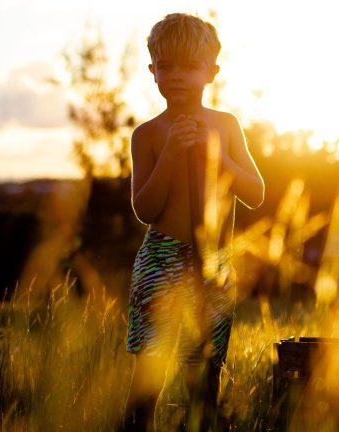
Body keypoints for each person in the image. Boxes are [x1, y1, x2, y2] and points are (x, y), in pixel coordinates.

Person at [124, 12, 264, 430]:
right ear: (152, 72)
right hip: (160, 261)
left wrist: (218, 158)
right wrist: (168, 154)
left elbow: (256, 193)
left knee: (203, 376)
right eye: (166, 66)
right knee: (148, 377)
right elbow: (145, 210)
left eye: (190, 66)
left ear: (211, 72)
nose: (178, 76)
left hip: (212, 264)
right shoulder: (146, 135)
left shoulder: (226, 125)